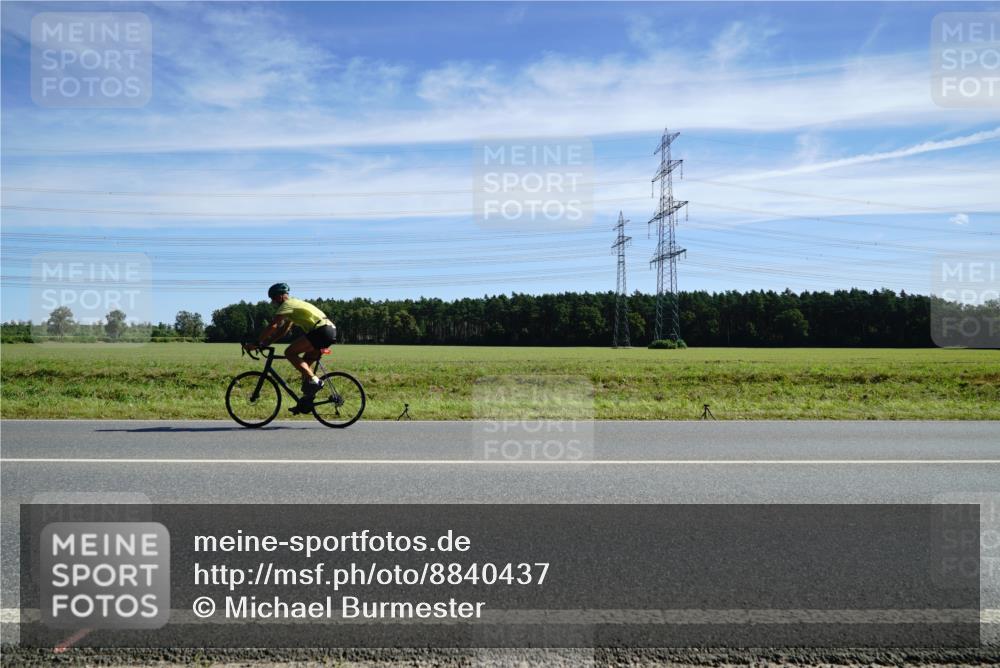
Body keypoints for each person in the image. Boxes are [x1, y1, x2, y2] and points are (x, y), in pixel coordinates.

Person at [247, 283, 337, 405]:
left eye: (273, 298)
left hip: (321, 330)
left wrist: (257, 342)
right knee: (305, 368)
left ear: (280, 296)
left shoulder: (287, 305)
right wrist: (265, 343)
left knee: (290, 353)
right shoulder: (294, 305)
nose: (273, 302)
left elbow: (273, 325)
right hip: (328, 330)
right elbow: (283, 331)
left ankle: (316, 381)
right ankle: (306, 402)